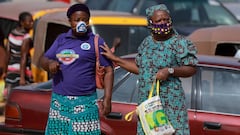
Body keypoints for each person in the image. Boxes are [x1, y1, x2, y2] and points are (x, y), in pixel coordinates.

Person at [101, 4, 198, 135]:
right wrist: (115, 59)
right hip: (148, 104)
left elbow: (191, 68)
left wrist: (170, 71)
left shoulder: (180, 43)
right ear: (150, 23)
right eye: (159, 20)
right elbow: (142, 70)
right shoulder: (147, 43)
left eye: (166, 19)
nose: (163, 23)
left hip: (170, 104)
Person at [40, 4, 114, 135]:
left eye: (84, 20)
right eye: (77, 20)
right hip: (59, 102)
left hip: (85, 103)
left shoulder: (95, 41)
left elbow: (109, 70)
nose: (81, 23)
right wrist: (49, 63)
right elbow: (43, 59)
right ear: (70, 21)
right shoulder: (61, 39)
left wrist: (107, 98)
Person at [5, 12, 34, 88]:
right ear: (22, 23)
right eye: (29, 21)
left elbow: (8, 53)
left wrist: (5, 71)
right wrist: (22, 77)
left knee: (10, 94)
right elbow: (23, 57)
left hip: (11, 69)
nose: (32, 23)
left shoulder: (12, 33)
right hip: (21, 71)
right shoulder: (26, 37)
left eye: (32, 21)